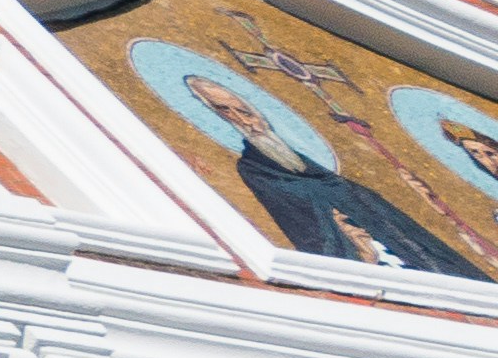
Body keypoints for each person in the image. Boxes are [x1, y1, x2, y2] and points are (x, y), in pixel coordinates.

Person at [178, 76, 487, 278]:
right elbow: (302, 225)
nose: (242, 119)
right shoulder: (255, 170)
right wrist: (351, 242)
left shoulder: (313, 163)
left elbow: (374, 207)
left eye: (243, 110)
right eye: (224, 112)